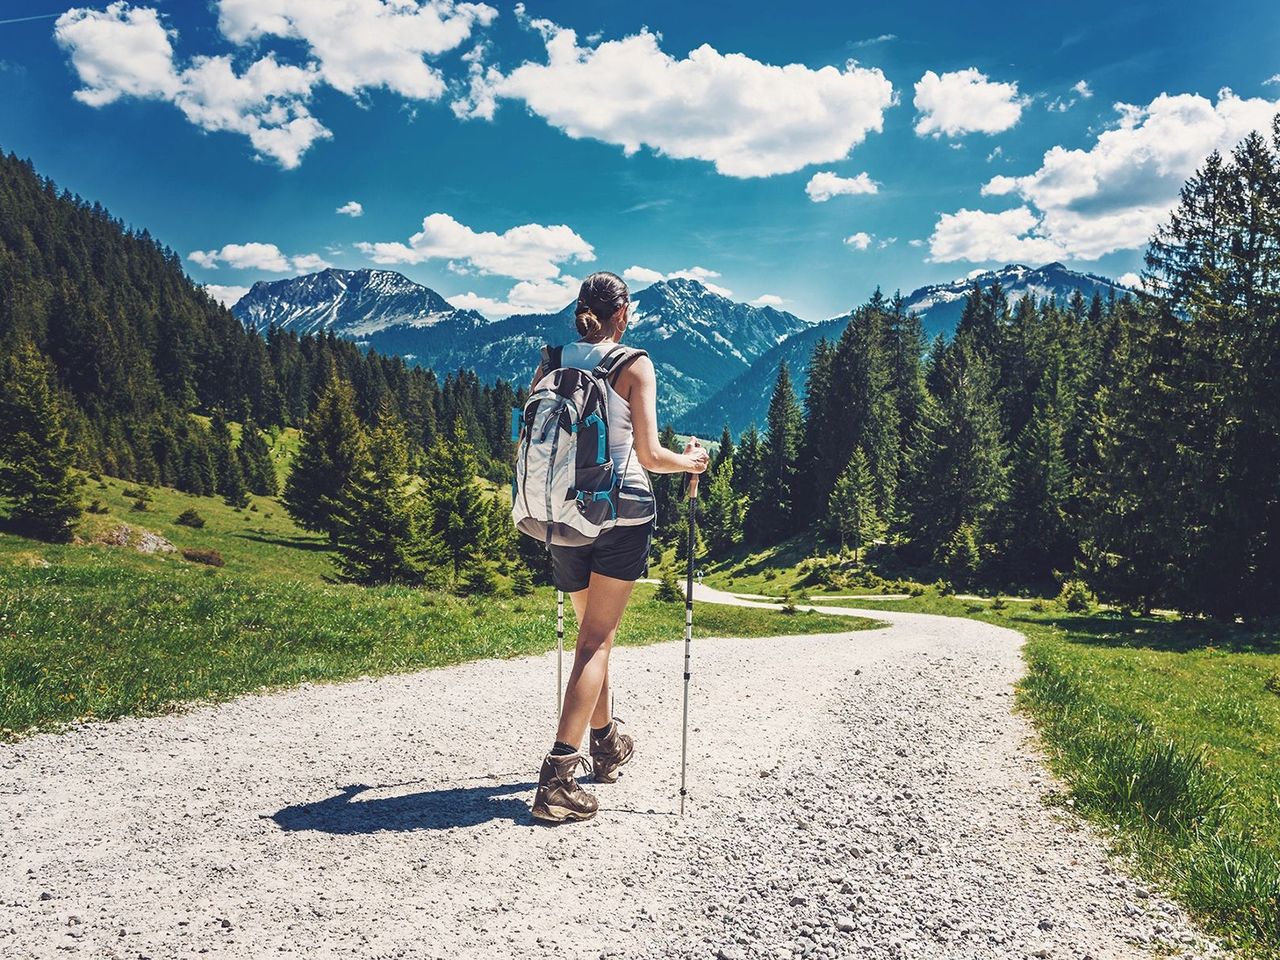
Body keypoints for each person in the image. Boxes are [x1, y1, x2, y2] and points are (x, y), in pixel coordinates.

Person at [529, 271, 709, 824]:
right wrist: (692, 462)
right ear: (622, 314)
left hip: (561, 513)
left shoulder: (552, 356)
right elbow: (651, 455)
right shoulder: (633, 363)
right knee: (597, 643)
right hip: (620, 513)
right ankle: (559, 776)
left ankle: (604, 743)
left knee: (590, 638)